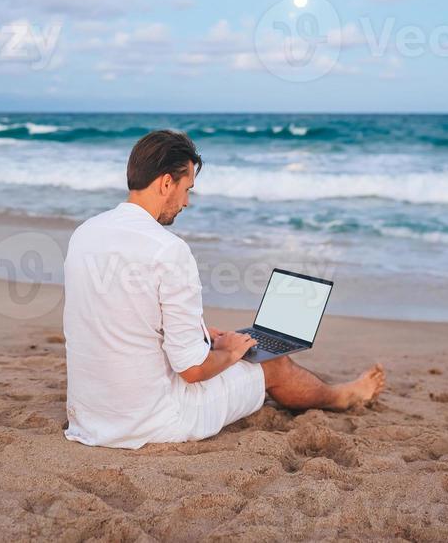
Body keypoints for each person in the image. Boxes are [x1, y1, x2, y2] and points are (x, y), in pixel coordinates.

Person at [63, 129, 385, 449]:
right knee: (272, 363)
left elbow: (123, 313)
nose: (187, 202)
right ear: (165, 183)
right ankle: (343, 396)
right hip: (150, 420)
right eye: (187, 188)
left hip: (90, 416)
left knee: (224, 345)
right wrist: (230, 351)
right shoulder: (168, 250)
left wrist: (201, 335)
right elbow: (192, 370)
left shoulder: (85, 234)